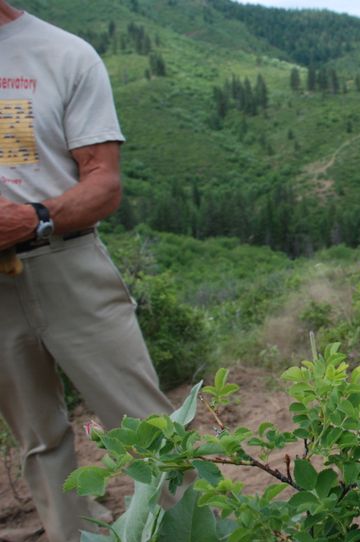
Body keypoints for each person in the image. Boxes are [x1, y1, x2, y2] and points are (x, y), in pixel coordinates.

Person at [0, 3, 175, 540]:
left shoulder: (62, 54)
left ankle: (199, 527)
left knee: (147, 426)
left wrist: (34, 217)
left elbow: (104, 183)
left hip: (66, 260)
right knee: (39, 440)